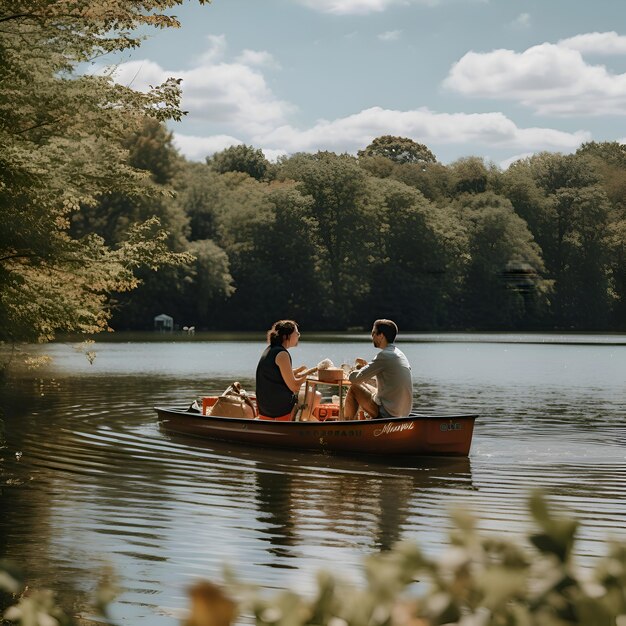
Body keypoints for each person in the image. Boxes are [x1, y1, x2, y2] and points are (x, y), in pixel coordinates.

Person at [344, 319, 413, 419]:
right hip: (402, 413)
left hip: (388, 413)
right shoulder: (399, 354)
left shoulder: (384, 356)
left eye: (373, 333)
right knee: (365, 385)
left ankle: (346, 427)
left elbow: (355, 379)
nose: (372, 336)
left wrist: (351, 372)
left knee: (354, 387)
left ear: (381, 336)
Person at [255, 320, 311, 420]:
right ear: (286, 336)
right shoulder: (282, 354)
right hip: (278, 409)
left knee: (306, 394)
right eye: (297, 333)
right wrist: (308, 376)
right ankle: (303, 424)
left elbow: (276, 374)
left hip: (265, 407)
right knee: (313, 394)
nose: (299, 335)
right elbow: (294, 387)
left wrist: (297, 371)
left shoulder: (271, 349)